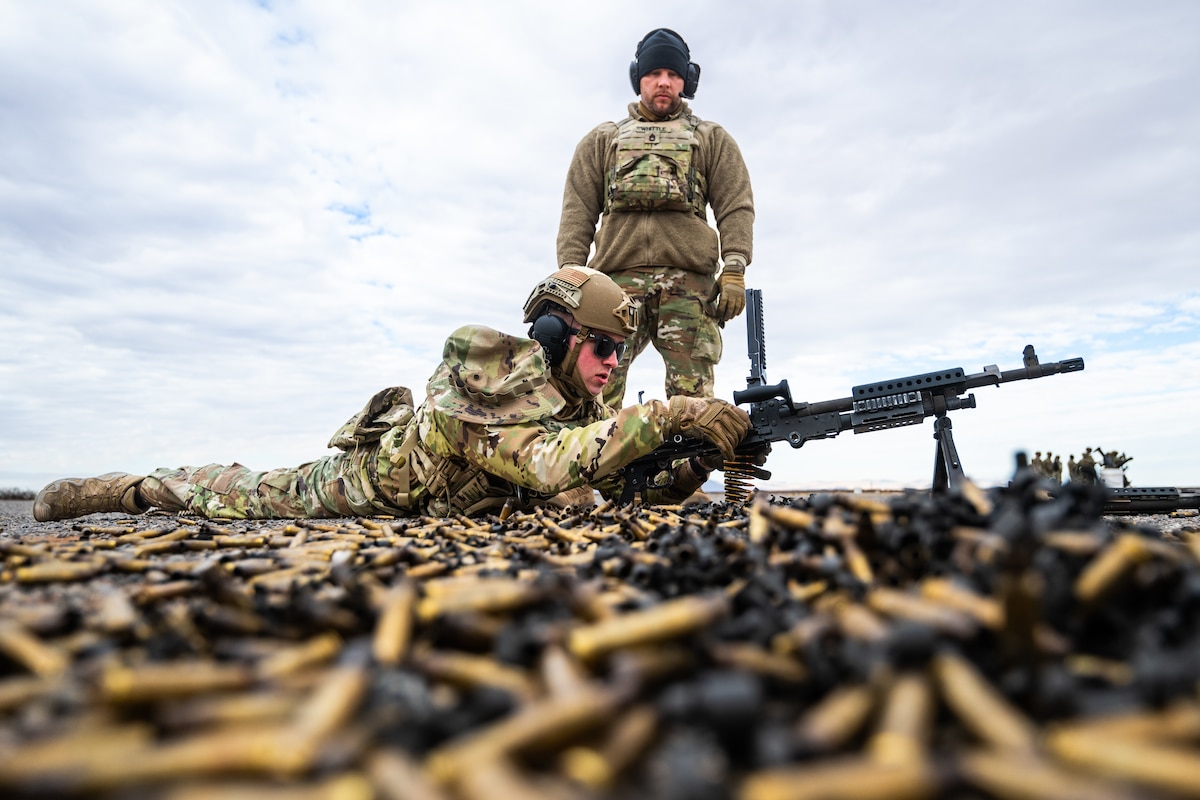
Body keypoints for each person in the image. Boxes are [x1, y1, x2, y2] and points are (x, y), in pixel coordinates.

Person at [33, 267, 751, 522]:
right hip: (363, 486)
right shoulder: (489, 383)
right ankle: (121, 489)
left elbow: (608, 480)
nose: (613, 363)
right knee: (235, 493)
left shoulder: (577, 409)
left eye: (622, 352)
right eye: (603, 347)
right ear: (558, 337)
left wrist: (690, 465)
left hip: (452, 502)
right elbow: (549, 467)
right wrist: (672, 412)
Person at [556, 27, 754, 408]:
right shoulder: (603, 140)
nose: (664, 82)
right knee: (594, 397)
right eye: (653, 74)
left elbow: (735, 205)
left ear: (686, 80)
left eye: (673, 75)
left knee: (693, 405)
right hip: (612, 289)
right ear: (638, 79)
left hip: (688, 287)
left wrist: (734, 268)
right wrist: (570, 280)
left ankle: (688, 470)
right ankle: (598, 467)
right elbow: (577, 210)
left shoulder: (711, 139)